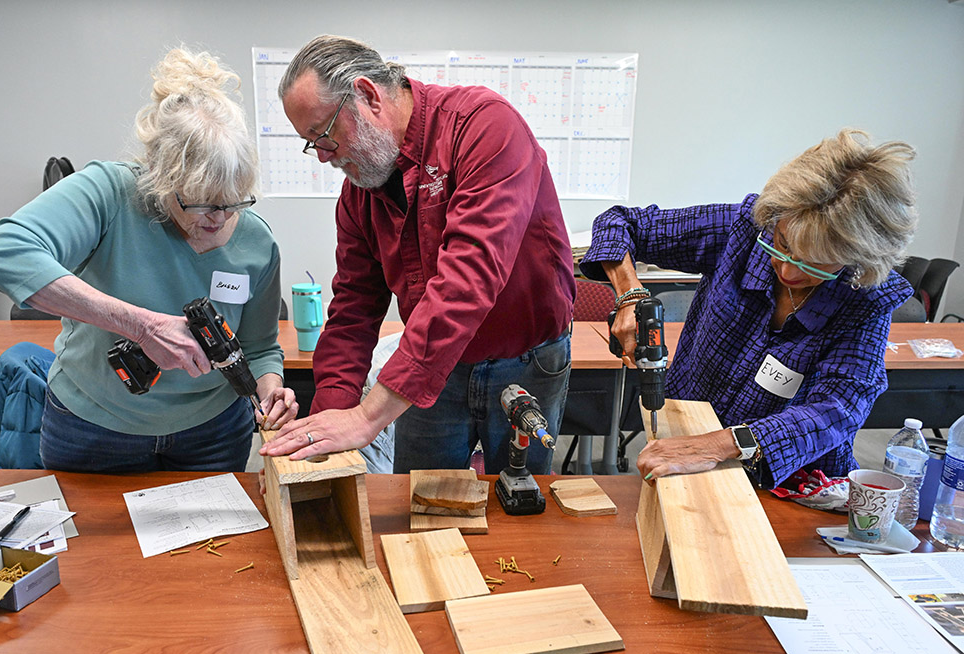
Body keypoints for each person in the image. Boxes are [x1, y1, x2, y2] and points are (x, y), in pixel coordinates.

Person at [0, 46, 297, 473]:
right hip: (94, 426)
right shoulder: (111, 194)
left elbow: (259, 346)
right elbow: (2, 255)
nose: (219, 219)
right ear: (163, 179)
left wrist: (271, 389)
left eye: (233, 202)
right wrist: (142, 326)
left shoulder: (256, 241)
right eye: (201, 204)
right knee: (95, 541)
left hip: (213, 432)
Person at [262, 35, 575, 475]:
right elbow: (353, 309)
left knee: (518, 503)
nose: (323, 158)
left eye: (324, 136)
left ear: (368, 95)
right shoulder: (360, 194)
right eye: (311, 144)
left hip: (525, 361)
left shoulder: (483, 126)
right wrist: (326, 426)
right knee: (423, 500)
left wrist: (368, 417)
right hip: (432, 370)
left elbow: (468, 279)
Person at [579, 128, 917, 489]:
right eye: (782, 245)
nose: (787, 271)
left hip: (791, 481)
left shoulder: (866, 296)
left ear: (858, 258)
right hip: (688, 437)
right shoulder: (743, 232)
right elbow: (619, 223)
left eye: (815, 263)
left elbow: (836, 409)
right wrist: (629, 294)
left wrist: (722, 445)